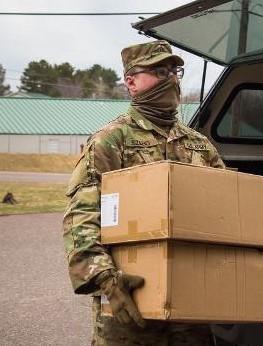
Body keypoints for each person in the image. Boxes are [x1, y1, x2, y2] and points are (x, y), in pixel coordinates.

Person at [63, 40, 227, 346]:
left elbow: (230, 215)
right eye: (159, 70)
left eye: (174, 71)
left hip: (193, 302)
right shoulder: (111, 140)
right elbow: (81, 217)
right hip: (130, 296)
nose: (171, 79)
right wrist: (105, 278)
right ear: (131, 81)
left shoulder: (200, 145)